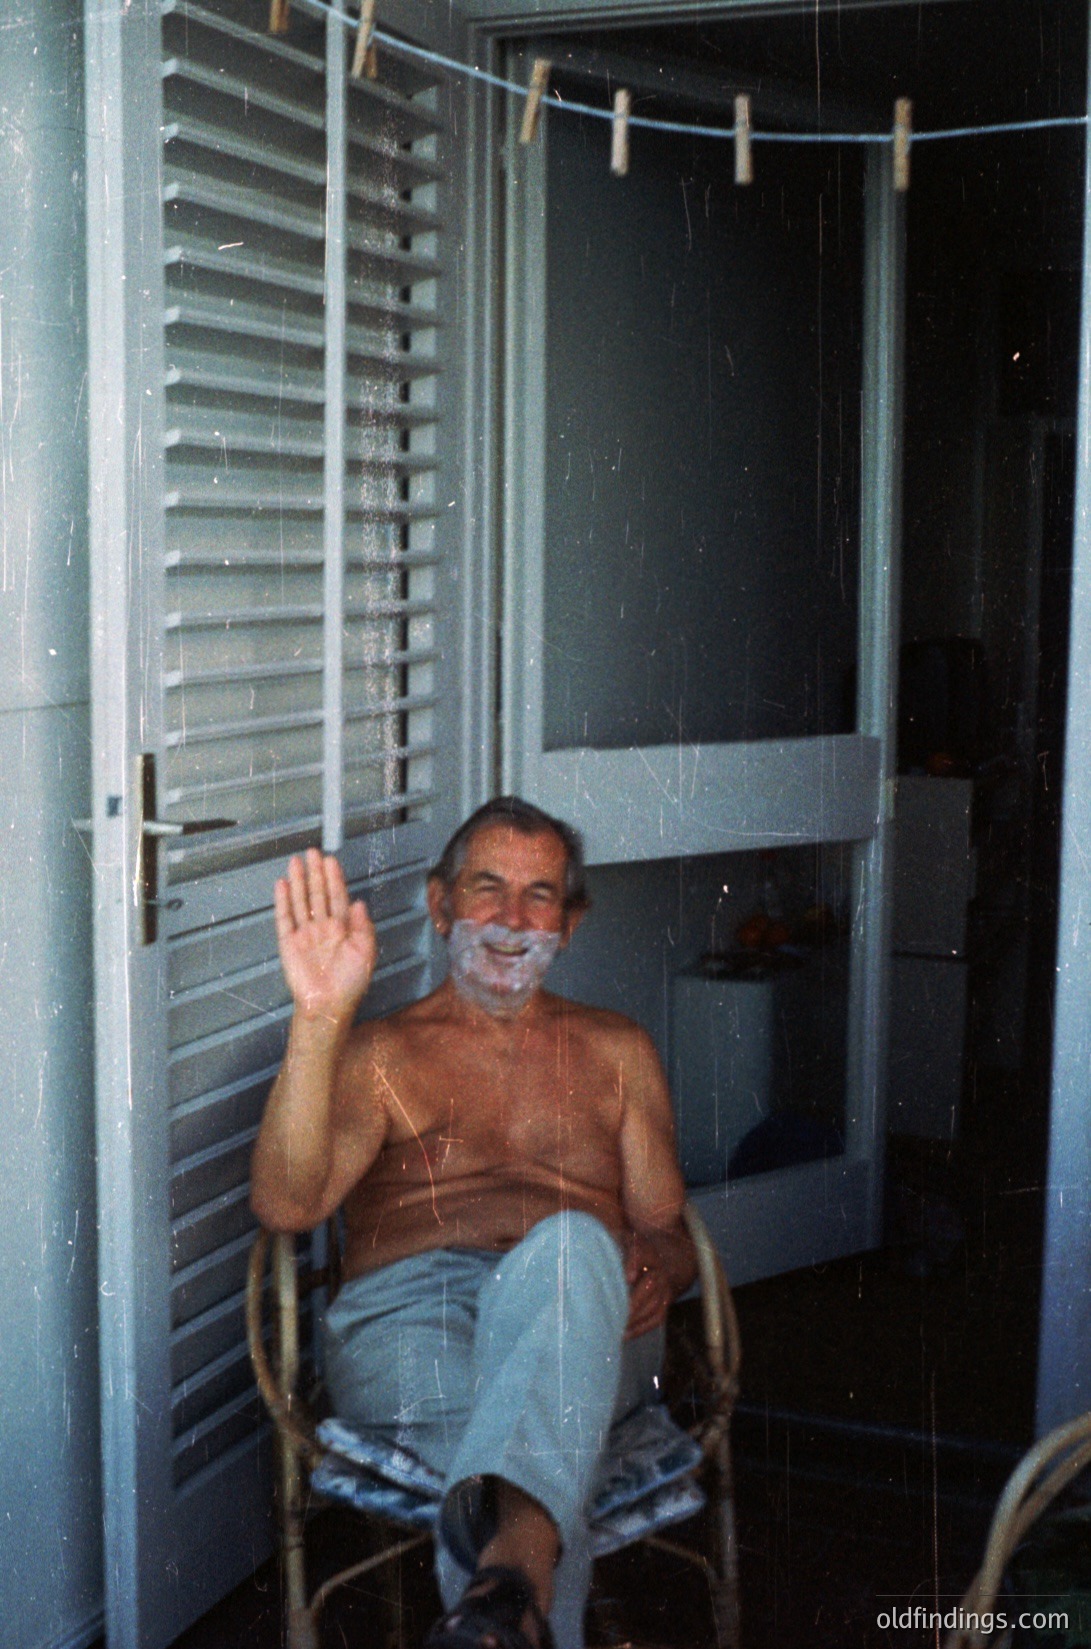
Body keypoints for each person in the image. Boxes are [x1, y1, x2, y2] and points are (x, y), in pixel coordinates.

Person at [251, 796, 696, 1649]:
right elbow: (285, 1205)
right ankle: (513, 1588)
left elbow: (668, 1231)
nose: (511, 918)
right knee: (535, 1448)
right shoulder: (379, 1053)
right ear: (439, 902)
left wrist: (659, 1268)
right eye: (487, 887)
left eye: (539, 895)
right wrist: (318, 1016)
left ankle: (492, 1605)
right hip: (410, 1319)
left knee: (569, 1244)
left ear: (569, 923)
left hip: (580, 1313)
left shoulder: (618, 1051)